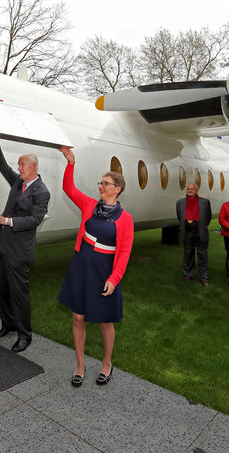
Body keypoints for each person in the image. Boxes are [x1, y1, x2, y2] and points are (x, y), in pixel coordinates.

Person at [56, 147, 133, 387]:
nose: (101, 186)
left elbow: (124, 253)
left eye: (106, 183)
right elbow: (69, 189)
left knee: (103, 320)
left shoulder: (125, 218)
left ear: (117, 189)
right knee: (78, 317)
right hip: (81, 267)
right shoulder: (89, 205)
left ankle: (106, 363)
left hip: (104, 272)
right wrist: (71, 164)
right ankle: (80, 365)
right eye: (100, 182)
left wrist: (114, 278)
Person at [0, 137, 50, 353]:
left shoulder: (41, 191)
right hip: (3, 244)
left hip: (19, 250)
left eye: (22, 164)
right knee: (1, 287)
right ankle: (8, 324)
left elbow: (34, 220)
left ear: (33, 166)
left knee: (19, 293)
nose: (18, 168)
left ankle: (25, 335)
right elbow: (2, 165)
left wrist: (6, 221)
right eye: (19, 165)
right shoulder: (18, 182)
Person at [176, 183, 212, 285]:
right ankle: (187, 274)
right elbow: (180, 217)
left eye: (192, 189)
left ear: (196, 190)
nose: (190, 190)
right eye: (188, 189)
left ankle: (203, 277)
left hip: (200, 232)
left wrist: (201, 225)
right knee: (188, 254)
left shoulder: (205, 202)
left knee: (202, 255)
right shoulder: (180, 203)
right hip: (187, 233)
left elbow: (207, 217)